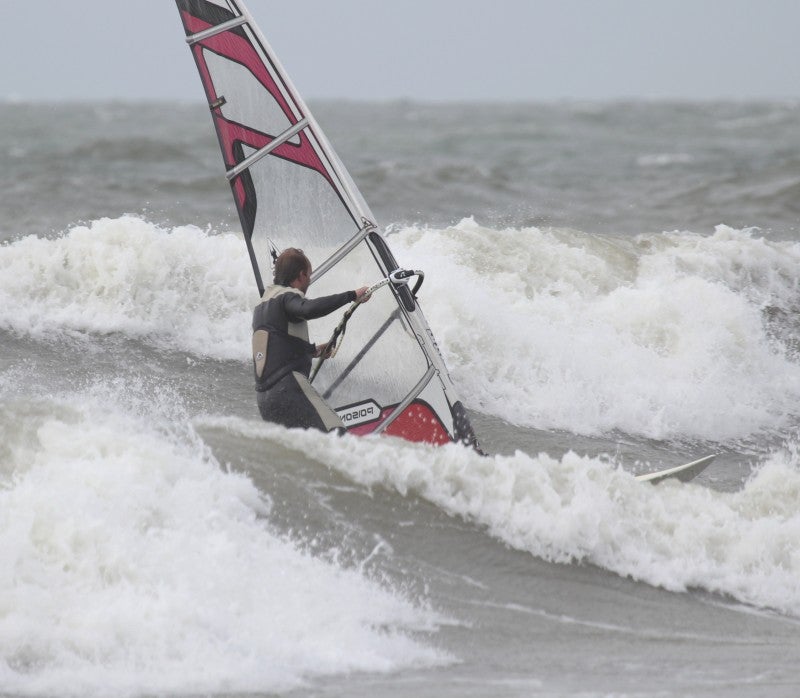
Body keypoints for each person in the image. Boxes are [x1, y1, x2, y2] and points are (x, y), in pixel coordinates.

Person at [252, 248, 370, 432]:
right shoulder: (287, 297)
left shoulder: (261, 306)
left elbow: (275, 347)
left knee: (304, 446)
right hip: (288, 389)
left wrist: (313, 351)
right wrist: (352, 295)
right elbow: (307, 309)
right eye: (309, 275)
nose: (309, 281)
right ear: (301, 275)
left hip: (266, 402)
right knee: (336, 434)